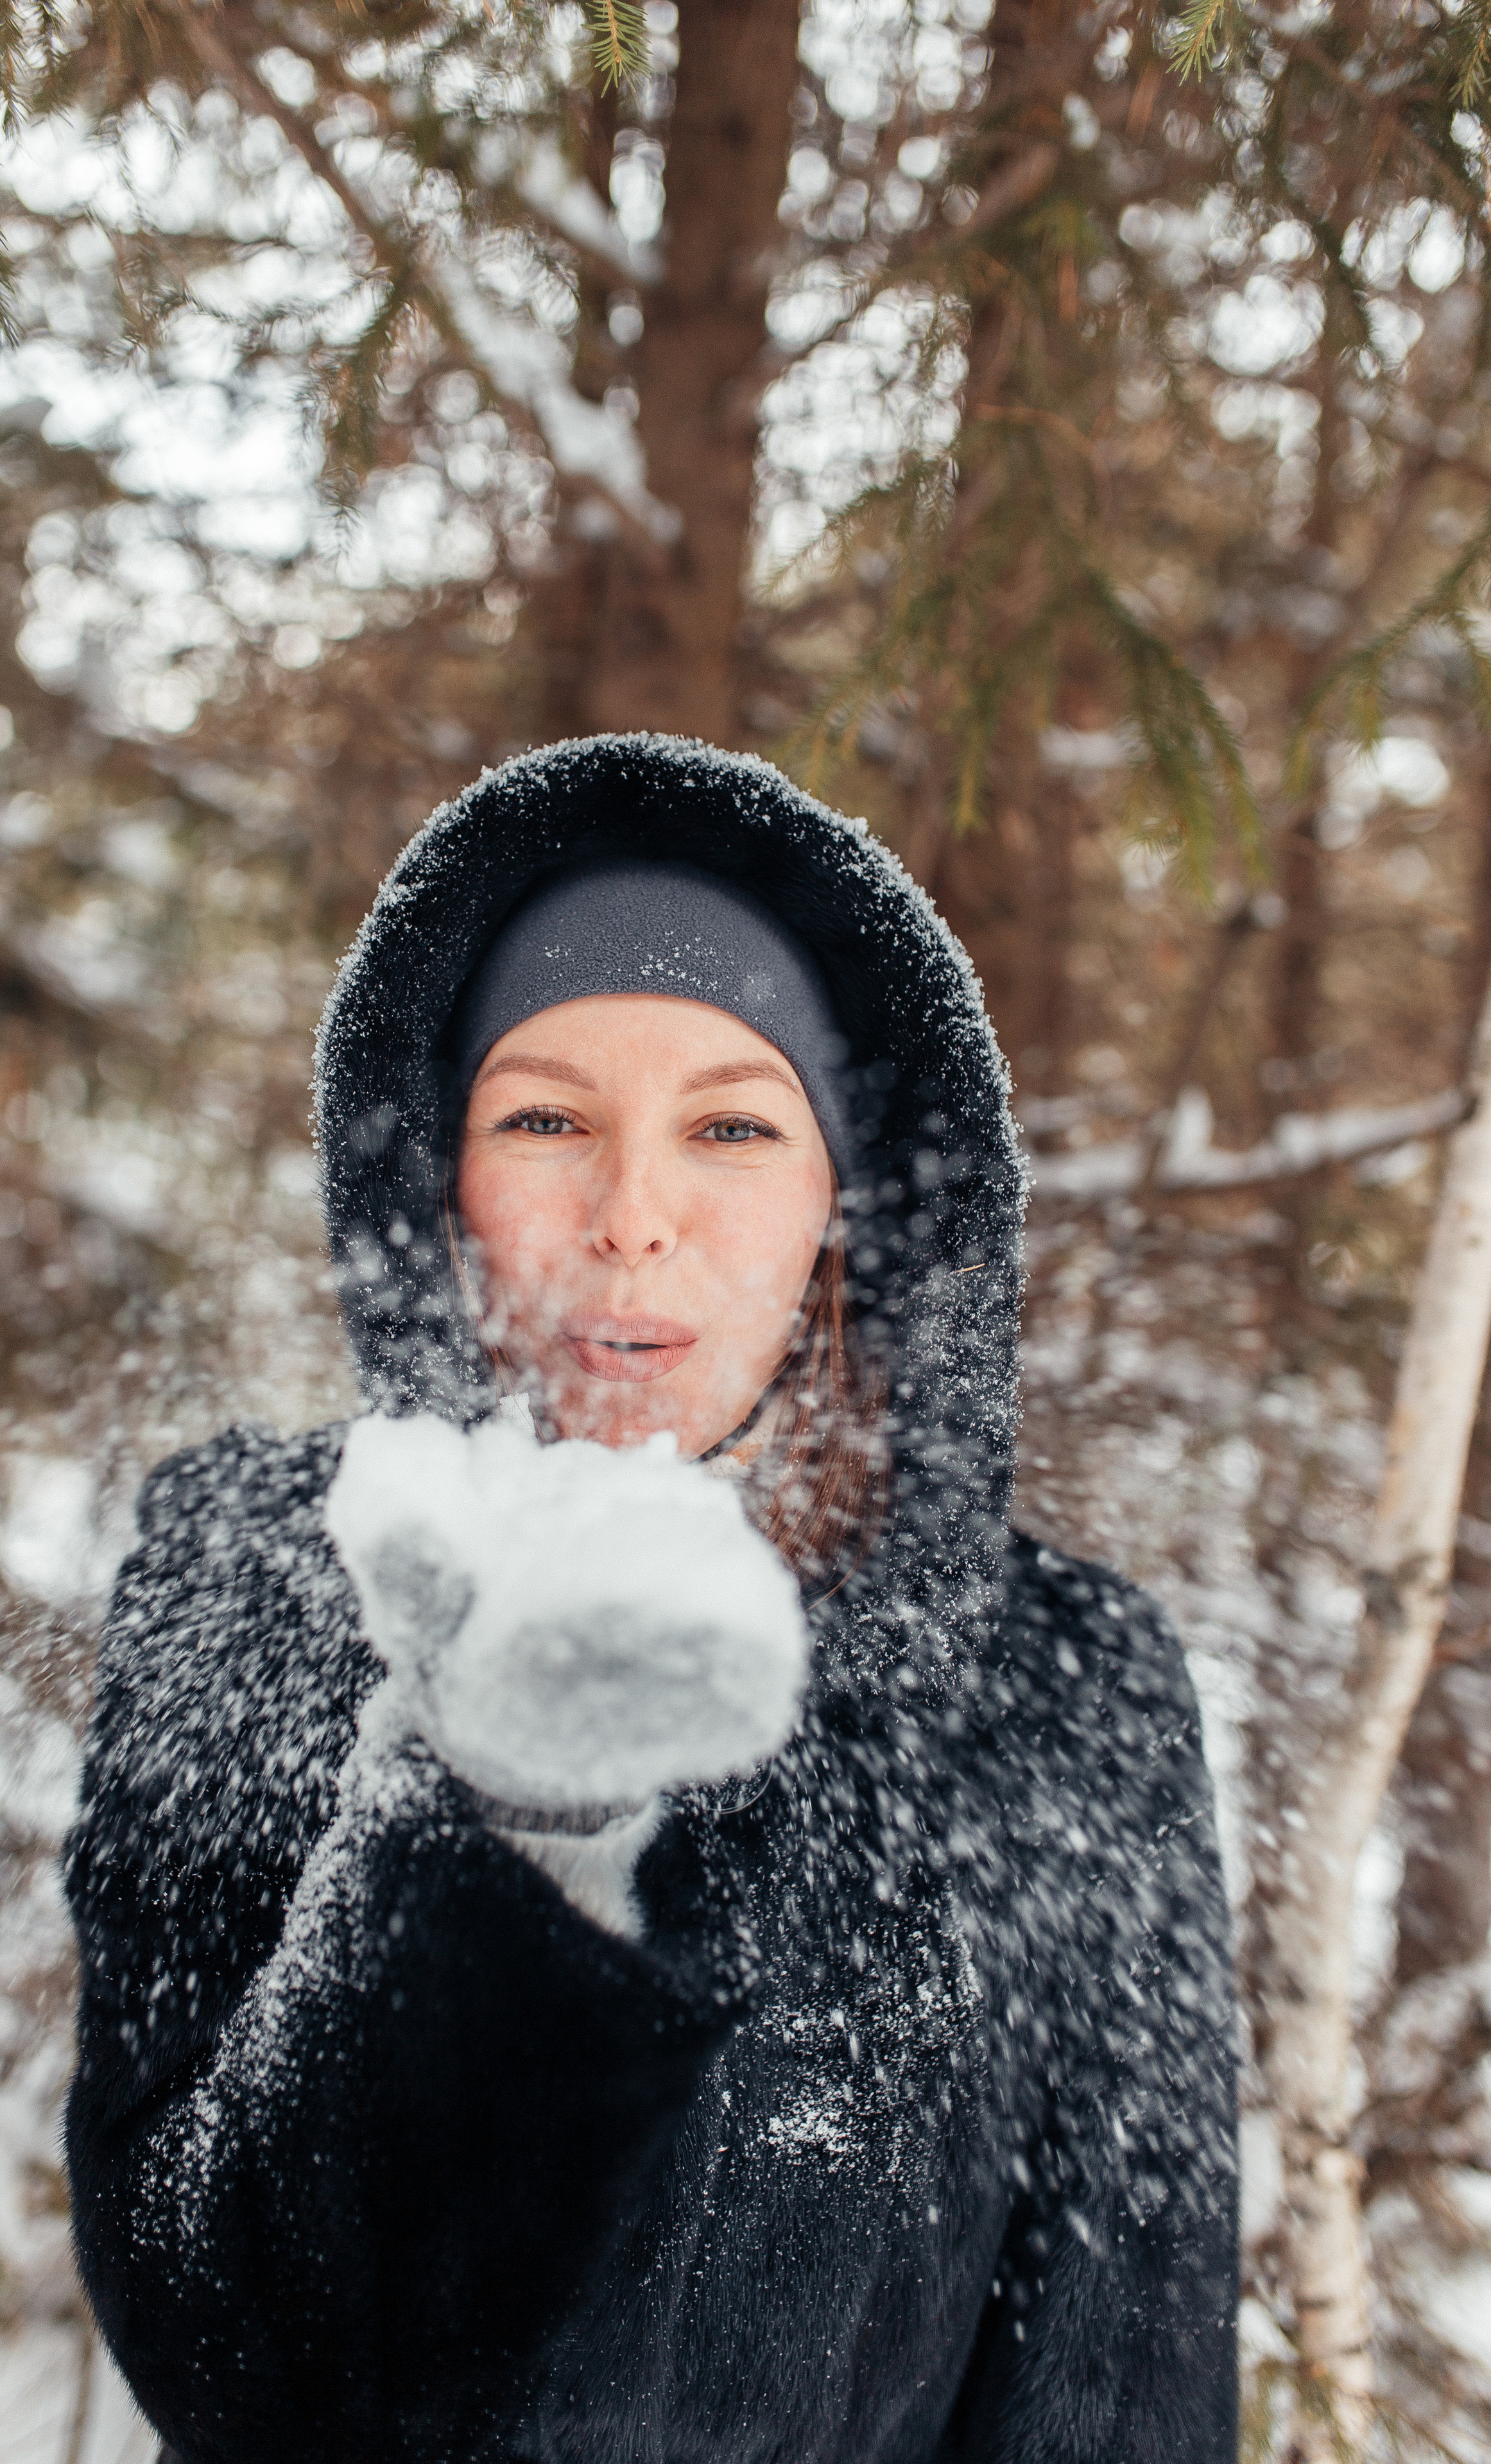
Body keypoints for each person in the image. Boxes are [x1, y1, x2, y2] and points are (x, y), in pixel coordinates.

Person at [64, 732, 1239, 2464]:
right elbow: (211, 2333)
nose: (632, 1217)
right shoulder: (252, 1579)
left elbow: (1117, 2383)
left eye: (733, 1126)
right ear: (431, 1179)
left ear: (846, 1202)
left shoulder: (1065, 1686)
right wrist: (501, 1823)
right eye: (543, 1117)